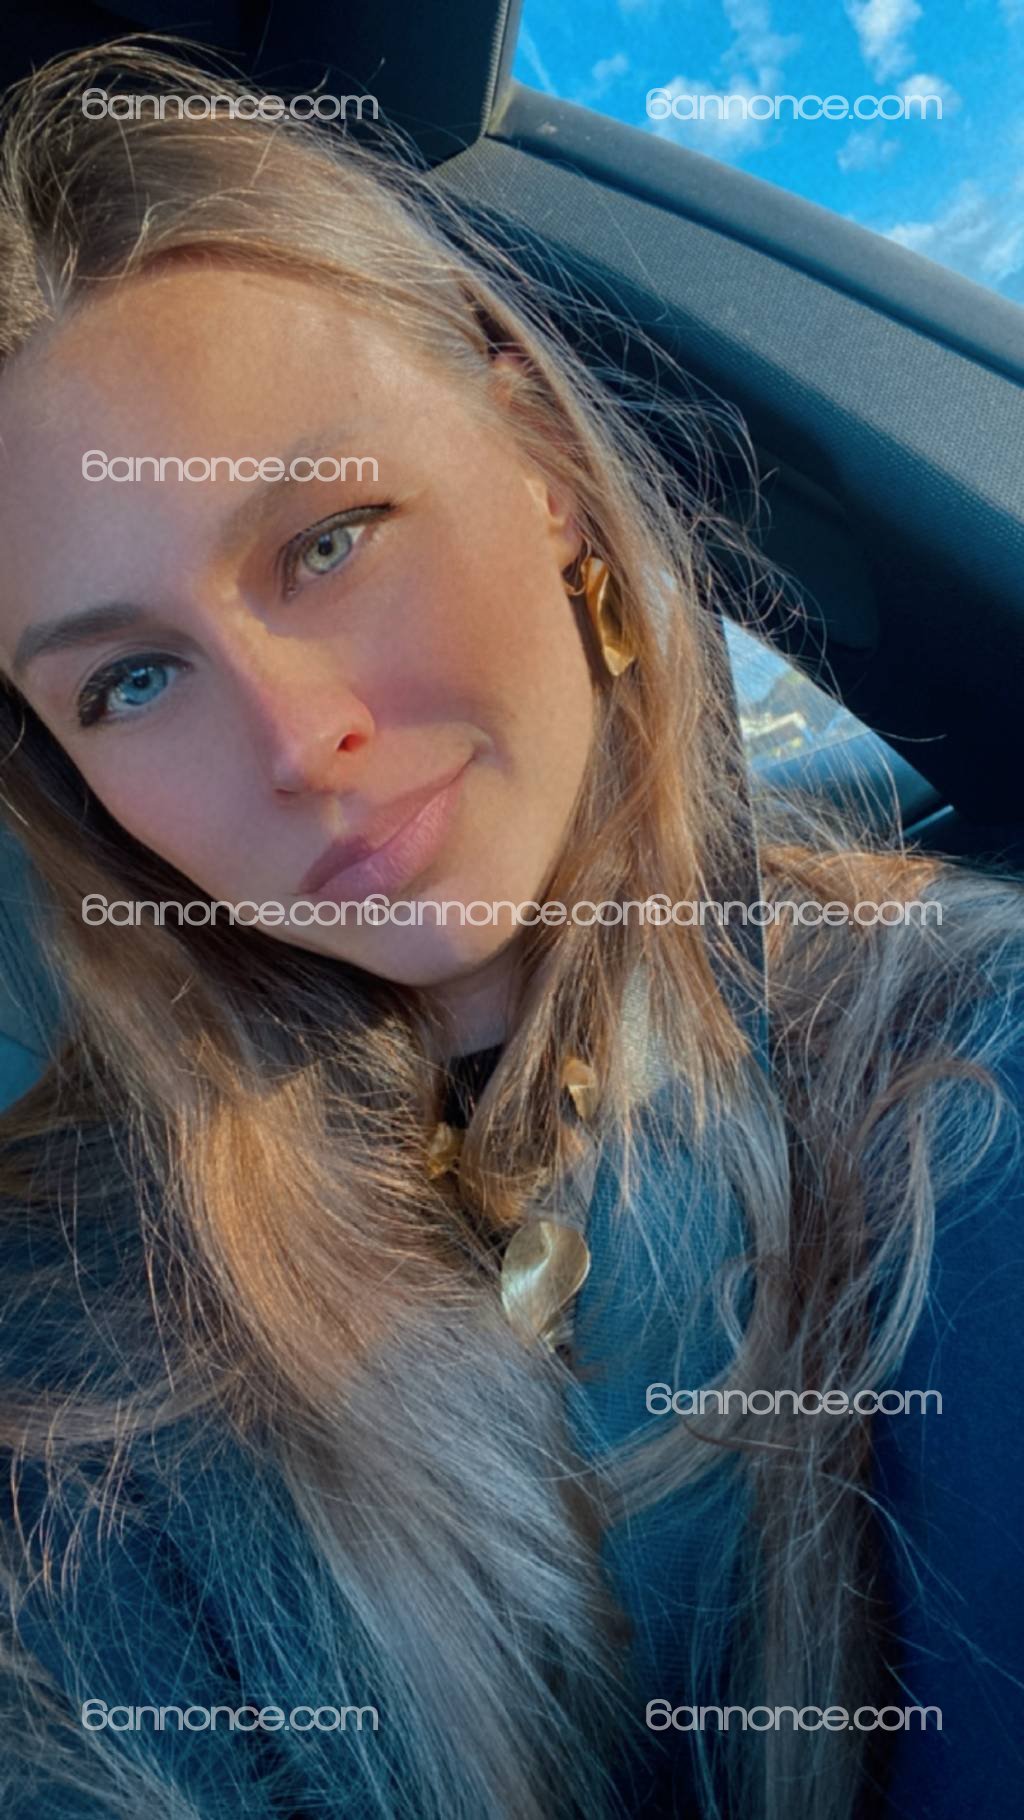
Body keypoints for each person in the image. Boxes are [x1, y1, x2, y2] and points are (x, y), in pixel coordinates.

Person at [0, 36, 1021, 1820]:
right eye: (133, 680)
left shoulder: (958, 1076)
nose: (296, 739)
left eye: (330, 539)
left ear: (540, 452)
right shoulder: (83, 1352)